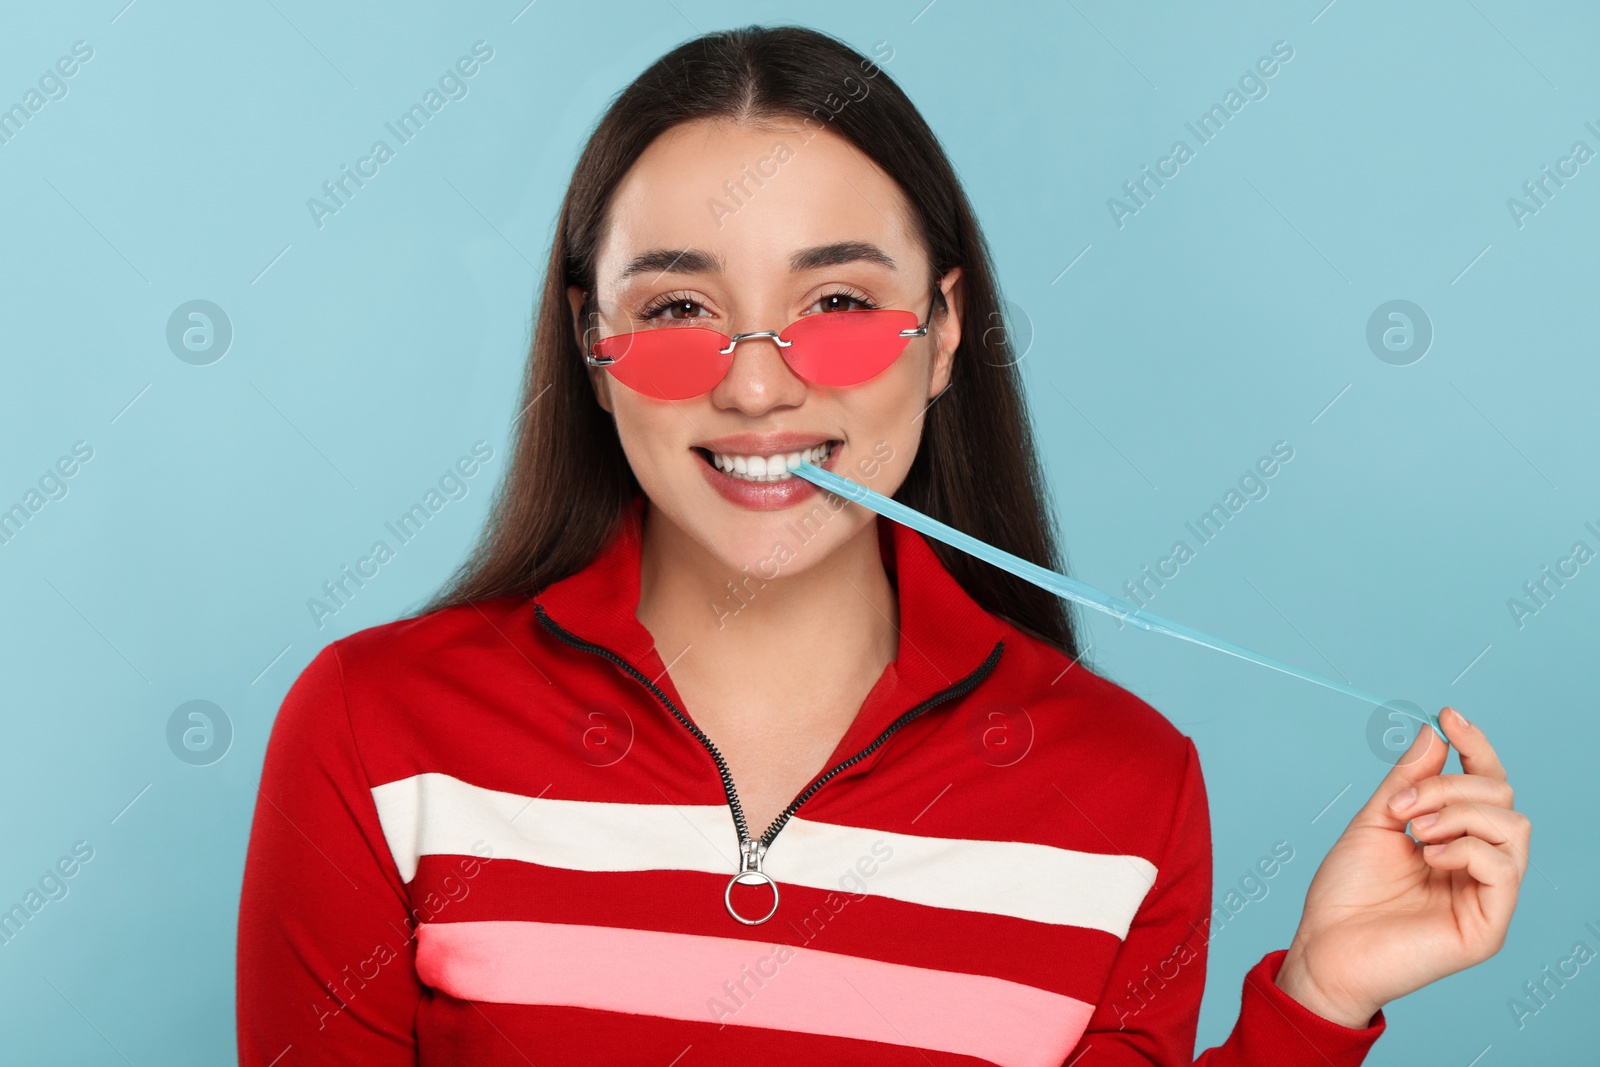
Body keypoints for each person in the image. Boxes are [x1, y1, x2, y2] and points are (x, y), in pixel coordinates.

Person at [235, 24, 1530, 1066]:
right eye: (679, 307)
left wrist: (1318, 997)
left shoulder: (1127, 792)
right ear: (592, 342)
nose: (757, 391)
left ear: (947, 327)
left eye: (840, 305)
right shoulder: (375, 729)